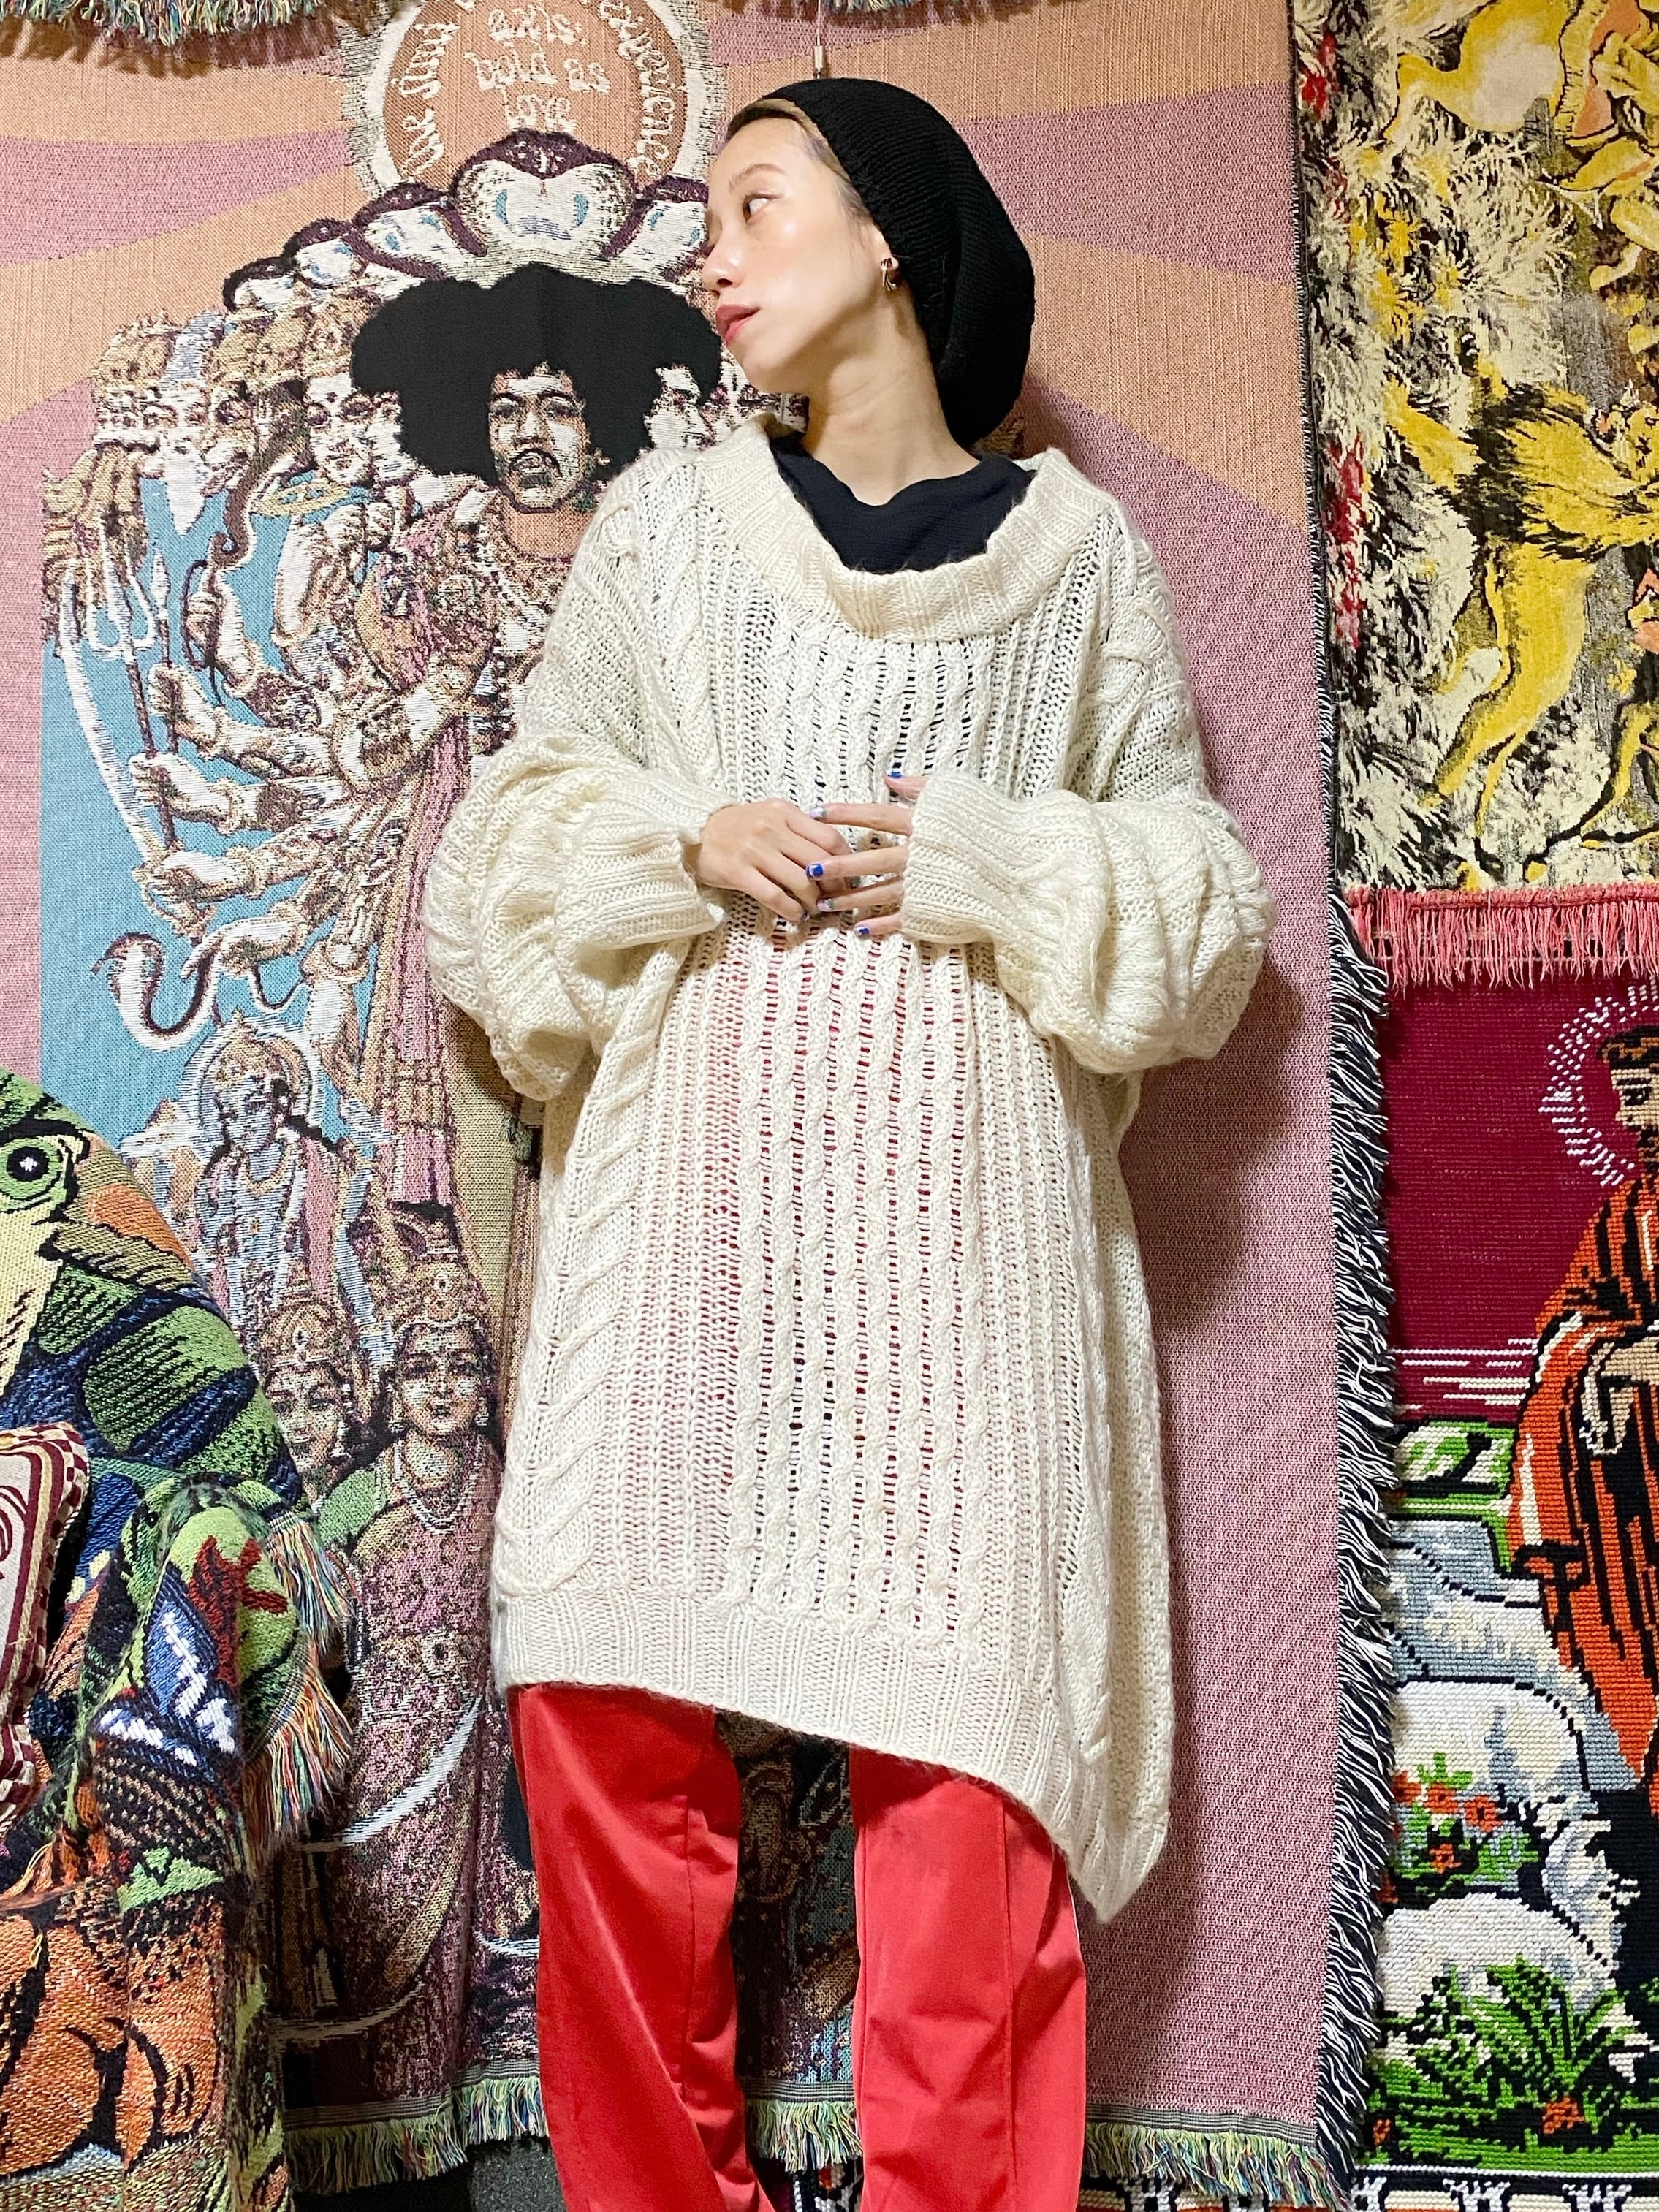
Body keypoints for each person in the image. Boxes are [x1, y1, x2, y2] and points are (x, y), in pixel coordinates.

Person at [423, 77, 1272, 2212]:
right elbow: (500, 872)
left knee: (973, 1806)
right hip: (685, 1254)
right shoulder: (668, 537)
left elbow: (1203, 922)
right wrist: (679, 841)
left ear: (889, 228)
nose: (711, 257)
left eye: (754, 204)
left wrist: (982, 862)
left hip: (967, 1275)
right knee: (601, 1724)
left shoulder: (1081, 565)